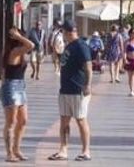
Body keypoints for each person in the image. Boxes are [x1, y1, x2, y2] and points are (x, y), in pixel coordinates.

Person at [48, 20, 93, 162]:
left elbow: (88, 67)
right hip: (65, 89)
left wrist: (87, 85)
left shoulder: (81, 46)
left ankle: (86, 151)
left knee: (81, 120)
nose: (63, 35)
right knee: (64, 121)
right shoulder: (69, 46)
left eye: (63, 32)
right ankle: (63, 150)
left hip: (77, 89)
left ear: (67, 32)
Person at [0, 26, 35, 163]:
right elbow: (31, 45)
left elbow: (3, 71)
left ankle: (17, 149)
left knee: (23, 120)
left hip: (20, 86)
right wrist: (19, 37)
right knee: (11, 121)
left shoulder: (18, 52)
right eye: (21, 36)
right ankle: (9, 153)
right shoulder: (14, 51)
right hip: (11, 87)